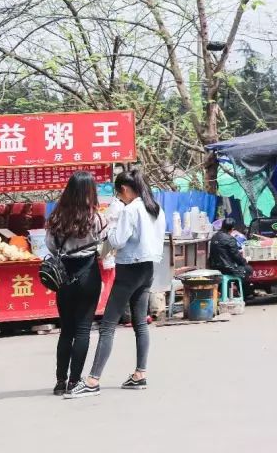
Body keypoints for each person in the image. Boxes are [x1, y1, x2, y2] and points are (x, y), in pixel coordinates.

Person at [67, 170, 165, 399]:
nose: (119, 198)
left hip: (129, 269)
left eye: (119, 193)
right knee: (140, 323)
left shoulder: (130, 210)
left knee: (108, 325)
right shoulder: (155, 209)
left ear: (125, 190)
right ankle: (140, 373)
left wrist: (105, 241)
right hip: (148, 268)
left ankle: (92, 381)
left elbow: (118, 240)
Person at [46, 171, 108, 396]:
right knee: (83, 329)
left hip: (64, 277)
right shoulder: (97, 218)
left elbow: (51, 247)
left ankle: (60, 381)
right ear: (90, 191)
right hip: (88, 275)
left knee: (66, 330)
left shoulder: (56, 218)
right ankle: (74, 381)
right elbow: (105, 248)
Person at [209, 218, 252, 293]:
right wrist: (245, 262)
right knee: (248, 269)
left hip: (214, 266)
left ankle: (225, 291)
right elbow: (236, 256)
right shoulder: (230, 239)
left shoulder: (214, 237)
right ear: (232, 229)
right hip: (227, 268)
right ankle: (245, 294)